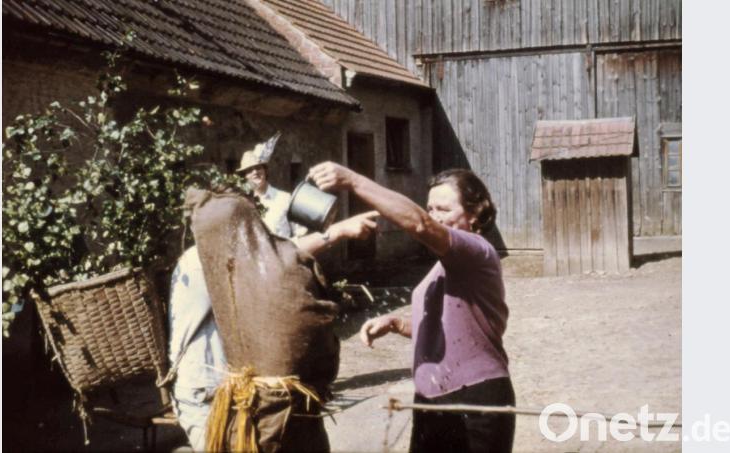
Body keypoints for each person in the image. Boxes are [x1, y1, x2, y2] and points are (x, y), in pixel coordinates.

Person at [307, 162, 516, 453]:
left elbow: (419, 225)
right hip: (431, 400)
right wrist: (397, 323)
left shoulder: (477, 251)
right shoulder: (444, 267)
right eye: (430, 209)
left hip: (475, 401)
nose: (434, 217)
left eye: (443, 209)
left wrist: (353, 180)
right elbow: (452, 325)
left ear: (474, 214)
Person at [168, 182, 379, 451]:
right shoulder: (199, 262)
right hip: (204, 391)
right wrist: (334, 234)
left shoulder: (223, 257)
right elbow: (276, 257)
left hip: (229, 384)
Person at [236, 134, 307, 239]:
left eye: (258, 167)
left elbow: (301, 233)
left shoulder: (284, 198)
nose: (255, 172)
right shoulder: (243, 203)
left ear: (265, 170)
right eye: (250, 170)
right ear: (245, 176)